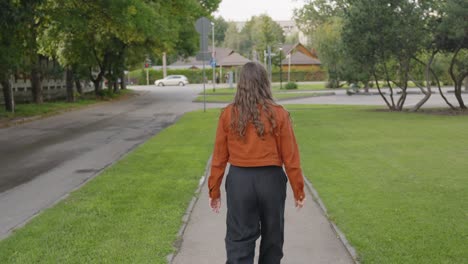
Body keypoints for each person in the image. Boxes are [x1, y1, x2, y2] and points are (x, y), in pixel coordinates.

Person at [208, 62, 306, 264]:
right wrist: (299, 190)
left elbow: (218, 157)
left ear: (241, 84)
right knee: (273, 238)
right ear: (265, 82)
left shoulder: (228, 114)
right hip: (271, 182)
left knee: (239, 239)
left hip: (240, 182)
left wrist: (214, 190)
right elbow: (291, 157)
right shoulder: (279, 113)